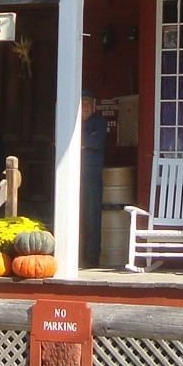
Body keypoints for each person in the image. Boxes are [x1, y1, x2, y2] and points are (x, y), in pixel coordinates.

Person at [80, 91, 106, 267]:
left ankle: (92, 257)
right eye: (82, 104)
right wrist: (85, 142)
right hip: (73, 175)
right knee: (76, 215)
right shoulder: (71, 120)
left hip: (92, 175)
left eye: (88, 104)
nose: (85, 107)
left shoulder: (99, 122)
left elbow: (97, 143)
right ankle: (76, 254)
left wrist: (81, 142)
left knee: (92, 215)